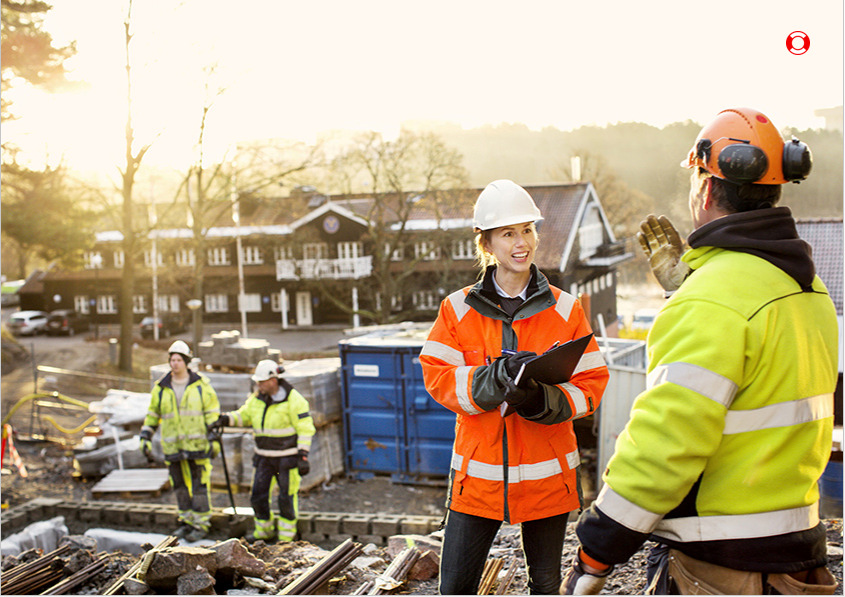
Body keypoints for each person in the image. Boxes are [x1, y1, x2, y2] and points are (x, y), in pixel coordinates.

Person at [561, 107, 839, 595]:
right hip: (797, 559)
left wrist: (596, 550)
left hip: (723, 565)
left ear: (706, 188)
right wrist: (688, 290)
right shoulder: (808, 289)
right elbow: (756, 382)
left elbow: (667, 440)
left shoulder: (713, 300)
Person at [419, 179, 610, 595]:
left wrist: (544, 400)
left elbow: (593, 382)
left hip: (548, 478)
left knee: (544, 584)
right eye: (508, 233)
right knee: (454, 587)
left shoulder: (565, 308)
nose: (522, 242)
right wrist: (496, 380)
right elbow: (437, 377)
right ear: (486, 243)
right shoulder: (456, 308)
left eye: (527, 230)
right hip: (479, 479)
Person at [211, 358, 315, 543]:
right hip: (263, 458)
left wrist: (303, 455)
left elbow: (305, 428)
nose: (258, 385)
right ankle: (264, 533)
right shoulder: (256, 399)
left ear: (273, 380)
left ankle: (285, 540)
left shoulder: (294, 400)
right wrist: (225, 419)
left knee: (286, 499)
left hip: (287, 459)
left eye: (261, 381)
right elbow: (245, 416)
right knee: (258, 496)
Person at [139, 340, 221, 542]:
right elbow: (153, 415)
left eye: (179, 360)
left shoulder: (201, 386)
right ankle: (186, 522)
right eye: (172, 360)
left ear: (186, 362)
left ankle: (201, 524)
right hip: (173, 446)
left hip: (197, 445)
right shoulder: (161, 388)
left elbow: (212, 413)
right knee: (180, 486)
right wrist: (145, 436)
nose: (175, 364)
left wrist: (215, 438)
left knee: (199, 486)